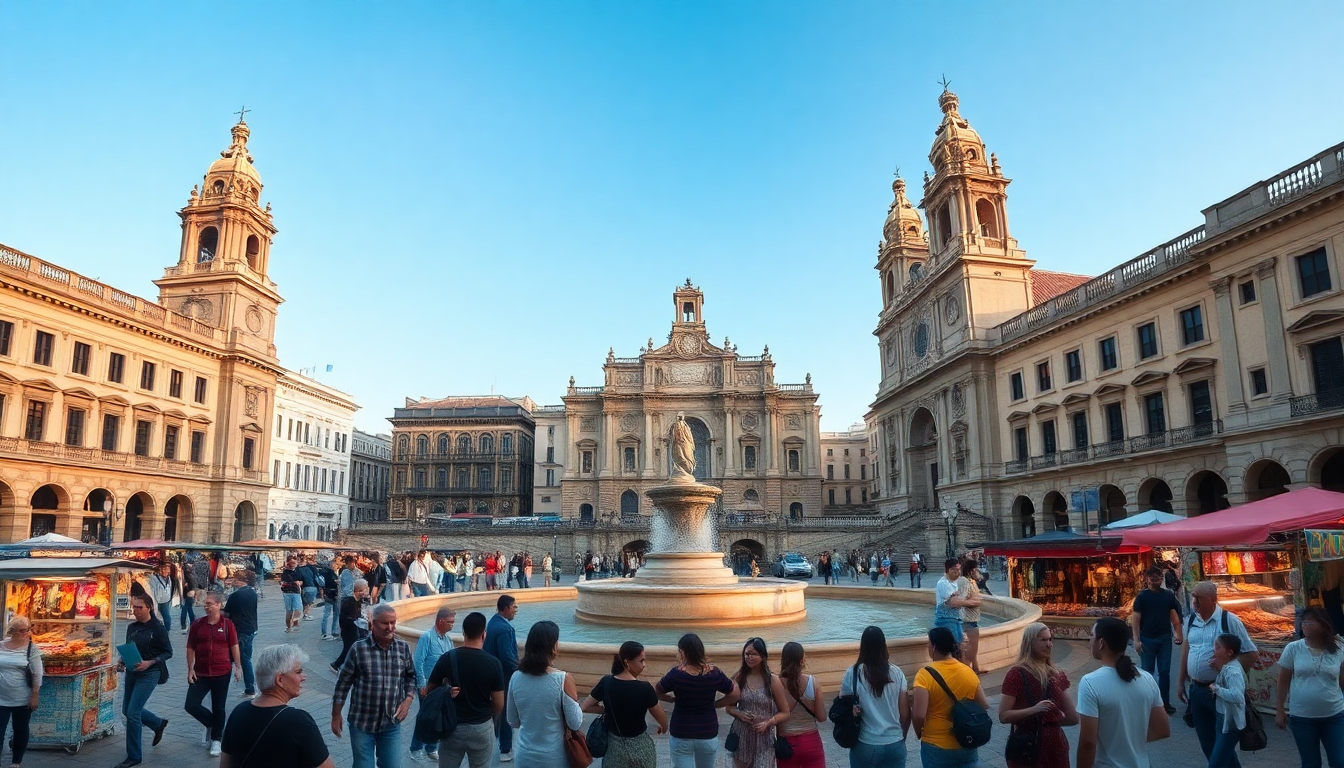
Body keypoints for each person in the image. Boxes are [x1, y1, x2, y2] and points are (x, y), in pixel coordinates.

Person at [218, 644, 334, 768]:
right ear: (280, 679)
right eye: (298, 672)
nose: (303, 677)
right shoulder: (299, 722)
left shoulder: (239, 712)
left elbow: (225, 764)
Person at [1076, 617, 1170, 768]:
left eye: (1092, 636)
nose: (1089, 640)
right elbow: (1162, 729)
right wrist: (1132, 739)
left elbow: (1088, 742)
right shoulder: (1147, 679)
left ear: (1101, 643)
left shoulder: (1090, 683)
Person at [1178, 581, 1256, 761]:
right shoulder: (1191, 620)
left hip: (1220, 693)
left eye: (1199, 598)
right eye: (1193, 597)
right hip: (1197, 690)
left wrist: (1227, 671)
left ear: (1213, 599)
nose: (1195, 602)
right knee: (1207, 744)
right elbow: (1186, 650)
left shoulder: (1229, 621)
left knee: (1222, 748)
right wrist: (1180, 681)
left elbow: (1251, 654)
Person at [331, 603, 417, 768]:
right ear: (373, 624)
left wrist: (408, 699)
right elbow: (343, 685)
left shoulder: (403, 648)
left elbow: (411, 676)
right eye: (385, 623)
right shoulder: (358, 649)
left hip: (391, 722)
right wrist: (336, 715)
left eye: (393, 622)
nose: (390, 627)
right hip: (362, 723)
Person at [428, 611, 506, 768]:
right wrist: (490, 718)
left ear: (463, 633)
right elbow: (499, 703)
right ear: (484, 635)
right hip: (481, 726)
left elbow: (430, 690)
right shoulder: (493, 663)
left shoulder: (447, 658)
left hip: (452, 726)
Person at [998, 622, 1078, 768]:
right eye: (1043, 640)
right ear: (1030, 643)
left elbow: (1073, 718)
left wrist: (1046, 723)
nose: (1049, 644)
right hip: (1032, 749)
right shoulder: (1017, 674)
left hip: (1043, 748)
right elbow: (1003, 716)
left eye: (1050, 639)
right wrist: (1035, 711)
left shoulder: (1057, 675)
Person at [504, 621, 582, 767]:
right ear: (553, 646)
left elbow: (513, 721)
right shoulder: (563, 679)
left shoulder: (515, 677)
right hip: (554, 757)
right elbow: (575, 723)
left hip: (524, 755)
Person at [655, 633, 740, 768]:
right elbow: (735, 694)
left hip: (681, 731)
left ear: (682, 652)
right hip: (707, 731)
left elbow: (657, 692)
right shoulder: (714, 673)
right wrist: (716, 704)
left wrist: (671, 699)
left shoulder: (676, 674)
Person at [581, 641, 667, 768]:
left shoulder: (606, 682)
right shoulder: (645, 688)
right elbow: (660, 716)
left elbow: (585, 707)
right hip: (640, 747)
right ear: (627, 662)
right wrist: (664, 727)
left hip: (614, 749)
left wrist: (607, 709)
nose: (644, 665)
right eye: (641, 661)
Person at [1277, 607, 1344, 768]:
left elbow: (1342, 681)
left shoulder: (1339, 649)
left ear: (1323, 625)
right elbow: (1283, 681)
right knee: (1311, 763)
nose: (1305, 625)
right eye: (1304, 622)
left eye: (1310, 622)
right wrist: (1280, 709)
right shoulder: (1293, 648)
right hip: (1302, 717)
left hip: (1334, 716)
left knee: (1339, 761)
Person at [913, 626, 987, 768]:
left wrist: (918, 732)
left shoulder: (924, 675)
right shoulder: (968, 671)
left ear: (933, 646)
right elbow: (984, 704)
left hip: (936, 743)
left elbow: (919, 715)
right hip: (966, 740)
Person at [840, 626, 909, 768]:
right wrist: (902, 736)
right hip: (895, 742)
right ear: (883, 645)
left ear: (863, 646)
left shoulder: (853, 673)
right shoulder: (897, 673)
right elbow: (905, 714)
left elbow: (843, 703)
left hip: (866, 743)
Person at [118, 593, 173, 768]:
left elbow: (168, 652)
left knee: (133, 713)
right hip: (132, 671)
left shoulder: (158, 628)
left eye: (139, 607)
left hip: (150, 673)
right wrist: (122, 661)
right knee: (127, 710)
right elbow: (129, 648)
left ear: (149, 608)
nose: (135, 610)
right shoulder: (132, 627)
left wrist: (149, 662)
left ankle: (134, 756)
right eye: (134, 607)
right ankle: (158, 724)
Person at [185, 591, 241, 756]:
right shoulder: (198, 624)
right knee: (191, 705)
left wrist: (238, 666)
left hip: (221, 671)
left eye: (209, 604)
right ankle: (211, 723)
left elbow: (234, 646)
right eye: (205, 604)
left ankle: (217, 739)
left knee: (219, 706)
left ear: (218, 605)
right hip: (200, 672)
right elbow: (190, 647)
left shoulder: (227, 625)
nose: (206, 606)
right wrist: (190, 668)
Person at [724, 637, 790, 768]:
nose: (749, 657)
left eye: (753, 654)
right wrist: (739, 713)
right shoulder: (739, 678)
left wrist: (768, 722)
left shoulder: (772, 680)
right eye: (747, 654)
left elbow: (785, 712)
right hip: (742, 736)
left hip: (764, 738)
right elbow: (728, 707)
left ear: (762, 656)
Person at [1131, 566, 1184, 714]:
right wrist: (1136, 640)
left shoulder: (1168, 596)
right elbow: (1136, 618)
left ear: (1161, 579)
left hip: (1165, 638)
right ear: (1147, 579)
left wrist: (1178, 633)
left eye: (1157, 579)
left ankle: (1164, 703)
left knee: (1164, 672)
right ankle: (1149, 703)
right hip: (1147, 639)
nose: (1155, 582)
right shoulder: (1141, 597)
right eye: (1152, 579)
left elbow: (1174, 615)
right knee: (1147, 672)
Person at [409, 607, 455, 763]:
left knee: (437, 717)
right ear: (440, 621)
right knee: (425, 716)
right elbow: (418, 661)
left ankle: (431, 748)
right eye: (450, 622)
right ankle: (416, 748)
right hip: (428, 686)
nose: (452, 625)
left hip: (442, 687)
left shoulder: (448, 640)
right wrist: (422, 684)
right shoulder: (427, 638)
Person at [773, 641, 826, 768]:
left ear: (783, 660)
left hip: (786, 745)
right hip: (811, 742)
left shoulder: (776, 684)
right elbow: (822, 717)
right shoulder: (812, 682)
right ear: (802, 660)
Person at [483, 594, 519, 762]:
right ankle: (505, 748)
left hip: (491, 675)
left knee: (496, 710)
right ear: (506, 608)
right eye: (514, 607)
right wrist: (521, 669)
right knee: (504, 711)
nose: (516, 610)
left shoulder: (493, 622)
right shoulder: (505, 629)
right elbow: (507, 658)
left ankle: (493, 740)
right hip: (503, 677)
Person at [0, 617, 40, 768]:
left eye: (28, 630)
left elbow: (37, 673)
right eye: (23, 630)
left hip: (22, 697)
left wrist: (34, 695)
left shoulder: (31, 648)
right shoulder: (1, 646)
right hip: (1, 696)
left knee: (20, 729)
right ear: (12, 631)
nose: (26, 633)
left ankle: (16, 761)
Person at [1208, 633, 1247, 768]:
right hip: (1223, 717)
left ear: (1229, 652)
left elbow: (1237, 696)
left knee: (1216, 763)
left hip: (1231, 722)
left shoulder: (1233, 671)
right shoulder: (1227, 667)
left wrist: (1216, 688)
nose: (1214, 649)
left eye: (1217, 647)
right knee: (1229, 759)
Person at [222, 570, 260, 699]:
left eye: (235, 579)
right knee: (246, 657)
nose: (233, 581)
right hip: (251, 627)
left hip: (240, 629)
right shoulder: (252, 592)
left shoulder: (235, 595)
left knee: (242, 658)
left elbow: (227, 613)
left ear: (240, 580)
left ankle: (250, 688)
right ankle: (249, 687)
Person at [933, 558, 977, 648]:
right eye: (957, 569)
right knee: (953, 647)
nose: (959, 572)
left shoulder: (956, 582)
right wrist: (969, 602)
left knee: (959, 646)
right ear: (950, 570)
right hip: (946, 621)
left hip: (956, 620)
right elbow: (954, 602)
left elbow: (968, 595)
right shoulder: (943, 583)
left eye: (959, 569)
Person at [332, 578, 370, 672]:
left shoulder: (357, 600)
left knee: (351, 648)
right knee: (348, 649)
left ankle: (347, 666)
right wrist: (356, 619)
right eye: (364, 590)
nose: (365, 592)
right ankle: (336, 665)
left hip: (352, 629)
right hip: (348, 630)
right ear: (358, 590)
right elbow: (345, 617)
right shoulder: (349, 601)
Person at [961, 560, 987, 675]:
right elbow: (962, 600)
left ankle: (975, 668)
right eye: (976, 569)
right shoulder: (964, 582)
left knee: (973, 648)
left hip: (972, 619)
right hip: (968, 620)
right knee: (970, 650)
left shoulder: (971, 581)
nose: (978, 571)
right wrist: (975, 601)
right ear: (972, 570)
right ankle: (967, 674)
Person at [150, 561, 181, 632]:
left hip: (162, 600)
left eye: (167, 569)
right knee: (160, 616)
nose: (166, 571)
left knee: (164, 617)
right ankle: (161, 631)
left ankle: (165, 631)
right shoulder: (156, 578)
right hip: (160, 600)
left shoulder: (168, 578)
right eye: (164, 569)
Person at [280, 556, 304, 633]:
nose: (293, 564)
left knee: (296, 609)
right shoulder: (286, 571)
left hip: (294, 592)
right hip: (289, 592)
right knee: (290, 611)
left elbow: (302, 580)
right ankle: (289, 627)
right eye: (292, 563)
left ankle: (293, 624)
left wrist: (299, 583)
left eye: (294, 562)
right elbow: (282, 582)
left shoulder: (297, 570)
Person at [297, 555, 319, 621]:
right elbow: (316, 576)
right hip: (313, 587)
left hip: (304, 588)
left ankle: (305, 615)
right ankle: (306, 615)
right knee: (309, 603)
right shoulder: (311, 567)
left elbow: (299, 580)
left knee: (305, 603)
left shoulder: (298, 569)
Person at [180, 558, 199, 636]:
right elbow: (195, 587)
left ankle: (185, 626)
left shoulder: (186, 575)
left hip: (187, 593)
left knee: (185, 610)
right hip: (190, 593)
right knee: (189, 610)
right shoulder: (192, 574)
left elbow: (184, 585)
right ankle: (191, 625)